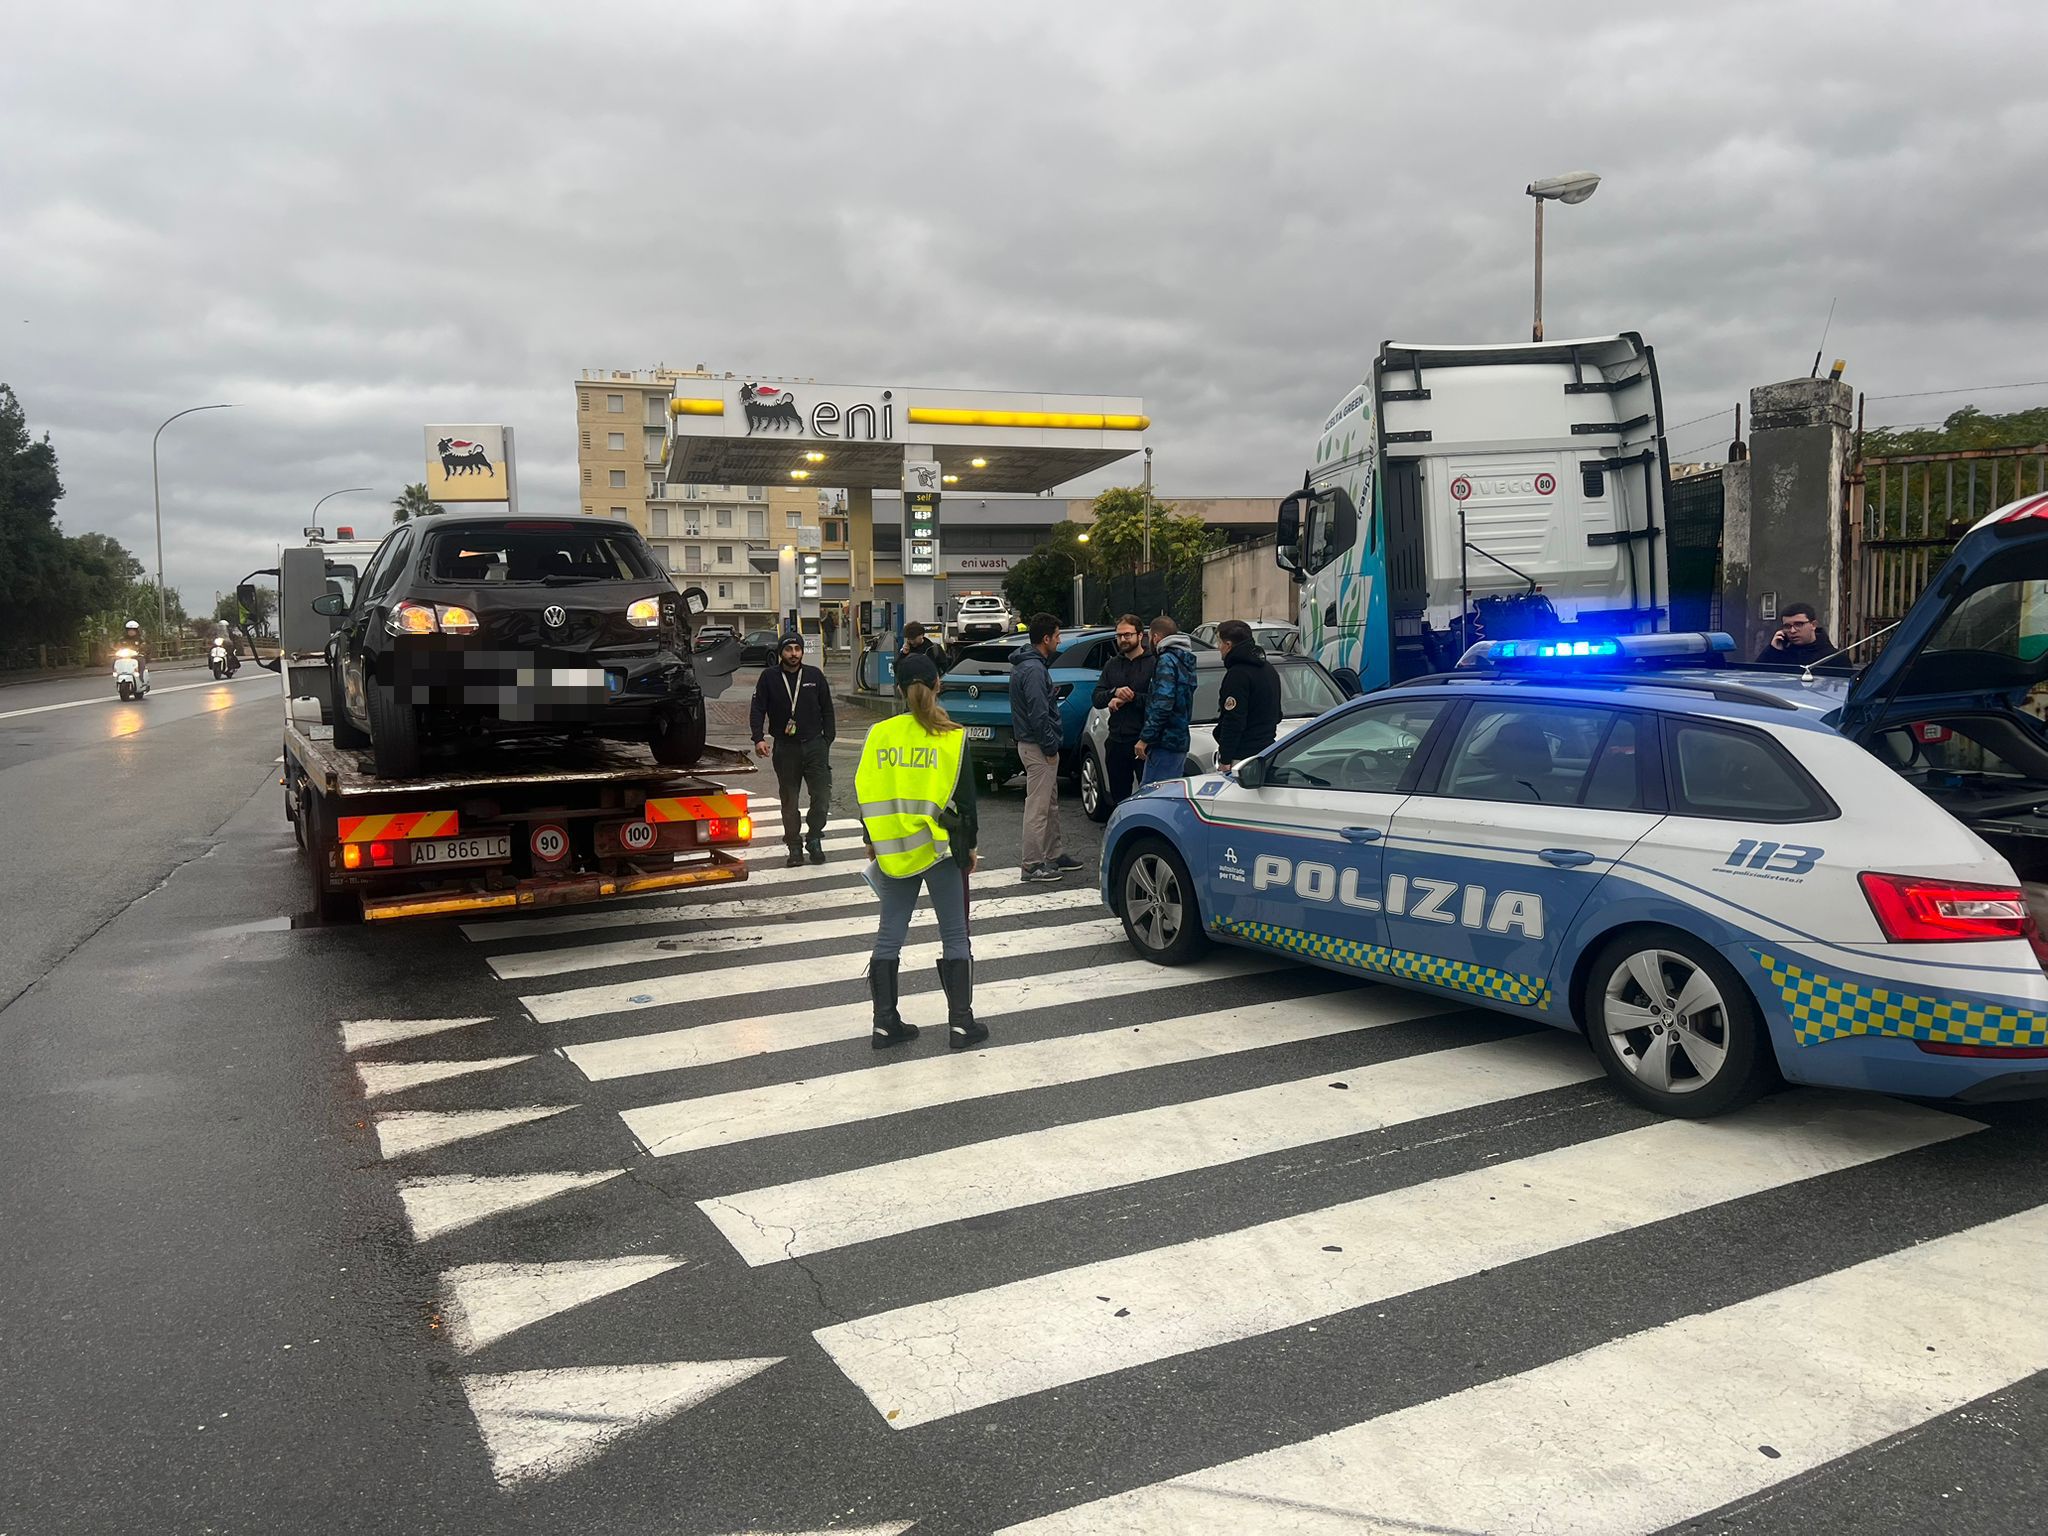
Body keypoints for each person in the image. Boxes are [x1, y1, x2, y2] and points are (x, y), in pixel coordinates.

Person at [857, 651, 984, 1050]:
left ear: (897, 689)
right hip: (941, 847)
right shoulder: (951, 736)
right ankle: (961, 1024)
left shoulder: (879, 734)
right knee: (954, 935)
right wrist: (971, 848)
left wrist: (871, 840)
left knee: (888, 936)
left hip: (893, 847)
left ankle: (884, 1023)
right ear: (937, 685)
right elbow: (965, 800)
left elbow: (866, 791)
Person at [749, 632, 836, 868]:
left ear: (802, 652)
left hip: (815, 745)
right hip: (786, 748)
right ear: (781, 652)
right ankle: (794, 845)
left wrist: (827, 740)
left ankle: (815, 837)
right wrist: (758, 738)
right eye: (789, 650)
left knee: (822, 797)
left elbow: (827, 709)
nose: (794, 654)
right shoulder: (769, 677)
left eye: (797, 649)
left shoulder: (814, 675)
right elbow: (758, 708)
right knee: (789, 800)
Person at [1012, 612, 1081, 882]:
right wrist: (1051, 746)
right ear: (1046, 638)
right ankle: (1031, 865)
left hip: (1033, 743)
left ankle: (1054, 854)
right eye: (1057, 636)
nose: (1059, 640)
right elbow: (1038, 713)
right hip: (1037, 746)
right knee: (1038, 808)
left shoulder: (1028, 665)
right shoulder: (1033, 670)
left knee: (1049, 804)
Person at [1090, 613, 1154, 808]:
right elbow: (1096, 698)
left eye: (1127, 635)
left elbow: (1159, 702)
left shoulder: (1154, 663)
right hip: (1116, 740)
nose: (1122, 640)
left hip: (1144, 741)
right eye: (1119, 636)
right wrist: (1113, 692)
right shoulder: (1112, 664)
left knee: (1149, 797)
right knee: (1119, 798)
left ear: (1140, 635)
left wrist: (1133, 697)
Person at [1213, 619, 1283, 771]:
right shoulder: (1268, 669)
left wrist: (1225, 758)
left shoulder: (1237, 675)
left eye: (1219, 643)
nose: (1218, 648)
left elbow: (1233, 720)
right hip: (1266, 749)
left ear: (1228, 645)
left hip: (1242, 755)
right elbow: (1277, 714)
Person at [1136, 615, 1197, 784]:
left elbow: (1163, 703)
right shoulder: (1184, 660)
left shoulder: (1166, 660)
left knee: (1153, 794)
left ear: (1156, 637)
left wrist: (1145, 738)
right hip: (1179, 740)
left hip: (1164, 741)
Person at [1755, 603, 1836, 666]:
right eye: (1787, 626)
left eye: (1799, 624)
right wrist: (1772, 651)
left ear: (1813, 625)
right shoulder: (1780, 654)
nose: (1792, 631)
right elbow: (1756, 677)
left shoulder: (1832, 657)